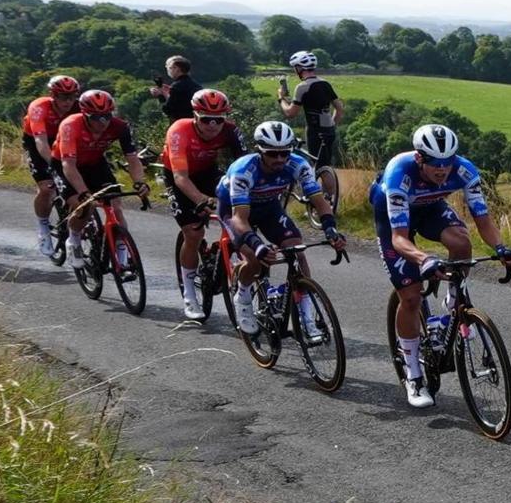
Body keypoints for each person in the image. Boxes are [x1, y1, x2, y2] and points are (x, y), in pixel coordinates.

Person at [372, 123, 511, 409]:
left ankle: (454, 302)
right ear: (419, 158)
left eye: (447, 163)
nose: (442, 170)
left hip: (430, 209)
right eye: (435, 165)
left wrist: (500, 248)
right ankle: (413, 375)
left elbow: (483, 219)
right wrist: (425, 259)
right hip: (394, 220)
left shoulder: (465, 170)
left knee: (462, 242)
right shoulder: (399, 174)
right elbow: (400, 239)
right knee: (412, 296)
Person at [218, 121, 344, 337]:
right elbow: (240, 218)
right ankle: (243, 294)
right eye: (272, 154)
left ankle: (306, 317)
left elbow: (319, 201)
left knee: (297, 251)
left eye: (284, 153)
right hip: (234, 209)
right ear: (259, 151)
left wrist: (331, 230)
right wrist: (257, 245)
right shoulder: (243, 170)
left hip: (268, 206)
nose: (279, 159)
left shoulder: (298, 164)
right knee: (255, 260)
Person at [161, 88, 245, 320]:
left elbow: (244, 167)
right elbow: (180, 177)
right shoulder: (179, 130)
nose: (213, 125)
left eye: (219, 120)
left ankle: (227, 258)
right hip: (179, 177)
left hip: (209, 173)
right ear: (195, 116)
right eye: (206, 119)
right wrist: (201, 200)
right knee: (193, 233)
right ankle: (189, 294)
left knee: (240, 217)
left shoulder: (230, 130)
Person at [56, 90, 153, 258]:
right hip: (66, 165)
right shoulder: (70, 125)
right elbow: (68, 165)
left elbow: (132, 158)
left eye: (107, 116)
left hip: (95, 163)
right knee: (85, 207)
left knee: (116, 207)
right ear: (85, 114)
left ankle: (122, 254)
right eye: (96, 117)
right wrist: (84, 193)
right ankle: (74, 238)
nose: (103, 122)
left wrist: (139, 182)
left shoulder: (120, 126)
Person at [21, 75, 84, 255]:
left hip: (64, 141)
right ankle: (43, 226)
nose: (68, 101)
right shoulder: (39, 107)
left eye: (72, 97)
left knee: (78, 182)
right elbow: (40, 143)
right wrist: (55, 166)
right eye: (63, 97)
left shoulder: (78, 107)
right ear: (53, 95)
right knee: (47, 188)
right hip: (38, 142)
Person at [276, 51, 345, 208]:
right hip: (329, 130)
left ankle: (327, 204)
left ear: (300, 68)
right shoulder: (325, 83)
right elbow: (339, 109)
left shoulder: (303, 87)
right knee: (325, 164)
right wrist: (332, 125)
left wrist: (281, 98)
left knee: (321, 166)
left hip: (315, 130)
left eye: (295, 68)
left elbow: (290, 113)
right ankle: (326, 201)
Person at [150, 55, 196, 122]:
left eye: (169, 67)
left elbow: (168, 109)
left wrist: (161, 94)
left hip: (182, 123)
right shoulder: (195, 84)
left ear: (176, 68)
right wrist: (169, 92)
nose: (168, 70)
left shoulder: (177, 86)